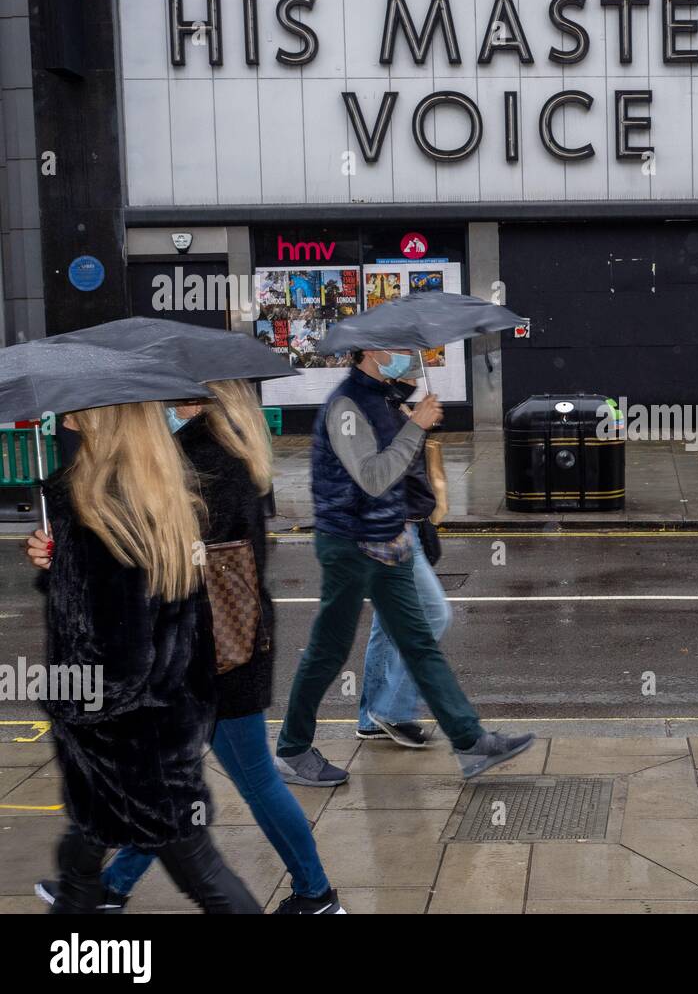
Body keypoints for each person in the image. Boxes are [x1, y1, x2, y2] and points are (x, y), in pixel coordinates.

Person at [28, 380, 344, 914]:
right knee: (163, 797)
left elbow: (146, 577)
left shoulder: (200, 464)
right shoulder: (224, 448)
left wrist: (75, 554)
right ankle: (109, 887)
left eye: (167, 401)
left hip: (214, 656)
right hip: (219, 648)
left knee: (247, 785)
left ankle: (316, 894)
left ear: (191, 402)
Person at [35, 400, 261, 914]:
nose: (63, 412)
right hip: (163, 717)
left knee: (199, 870)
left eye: (75, 406)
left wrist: (67, 703)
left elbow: (120, 654)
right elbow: (125, 605)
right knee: (85, 848)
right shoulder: (146, 491)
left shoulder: (100, 509)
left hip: (127, 740)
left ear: (102, 417)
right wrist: (58, 566)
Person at [275, 348, 533, 784]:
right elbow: (373, 477)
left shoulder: (379, 398)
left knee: (418, 642)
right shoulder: (347, 406)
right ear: (373, 352)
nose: (406, 358)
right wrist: (414, 426)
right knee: (329, 648)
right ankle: (292, 748)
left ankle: (470, 743)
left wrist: (409, 416)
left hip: (388, 540)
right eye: (397, 349)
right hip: (350, 545)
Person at [357, 378, 453, 747]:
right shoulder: (373, 408)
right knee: (434, 613)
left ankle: (370, 717)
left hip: (402, 525)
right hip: (394, 531)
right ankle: (393, 709)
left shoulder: (390, 406)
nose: (412, 371)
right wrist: (415, 425)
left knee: (385, 624)